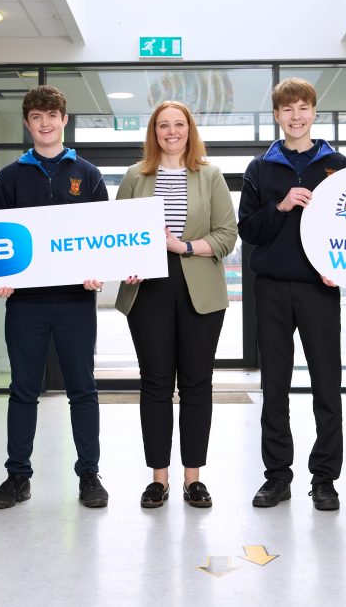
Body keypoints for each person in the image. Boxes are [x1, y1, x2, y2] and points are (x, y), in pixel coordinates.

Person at [0, 85, 110, 509]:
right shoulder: (9, 178)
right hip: (25, 304)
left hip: (76, 302)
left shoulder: (88, 175)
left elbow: (101, 237)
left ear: (64, 119)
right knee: (23, 390)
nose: (45, 123)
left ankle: (89, 476)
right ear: (28, 123)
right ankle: (17, 477)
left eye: (52, 116)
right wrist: (0, 276)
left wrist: (98, 270)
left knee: (83, 389)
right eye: (37, 117)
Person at [115, 101, 237, 509]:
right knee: (155, 383)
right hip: (147, 291)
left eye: (178, 125)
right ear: (154, 131)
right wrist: (127, 262)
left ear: (190, 129)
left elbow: (226, 236)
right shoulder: (135, 176)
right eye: (163, 125)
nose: (171, 132)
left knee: (197, 384)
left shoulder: (210, 175)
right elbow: (118, 235)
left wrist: (181, 245)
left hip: (198, 290)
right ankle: (159, 480)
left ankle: (193, 479)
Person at [238, 77, 346, 510]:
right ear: (276, 116)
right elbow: (249, 230)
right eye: (288, 109)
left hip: (320, 289)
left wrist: (338, 267)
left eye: (303, 107)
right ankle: (277, 476)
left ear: (314, 112)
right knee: (275, 387)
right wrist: (281, 206)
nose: (296, 116)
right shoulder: (259, 169)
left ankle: (324, 479)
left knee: (327, 385)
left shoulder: (338, 165)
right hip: (270, 288)